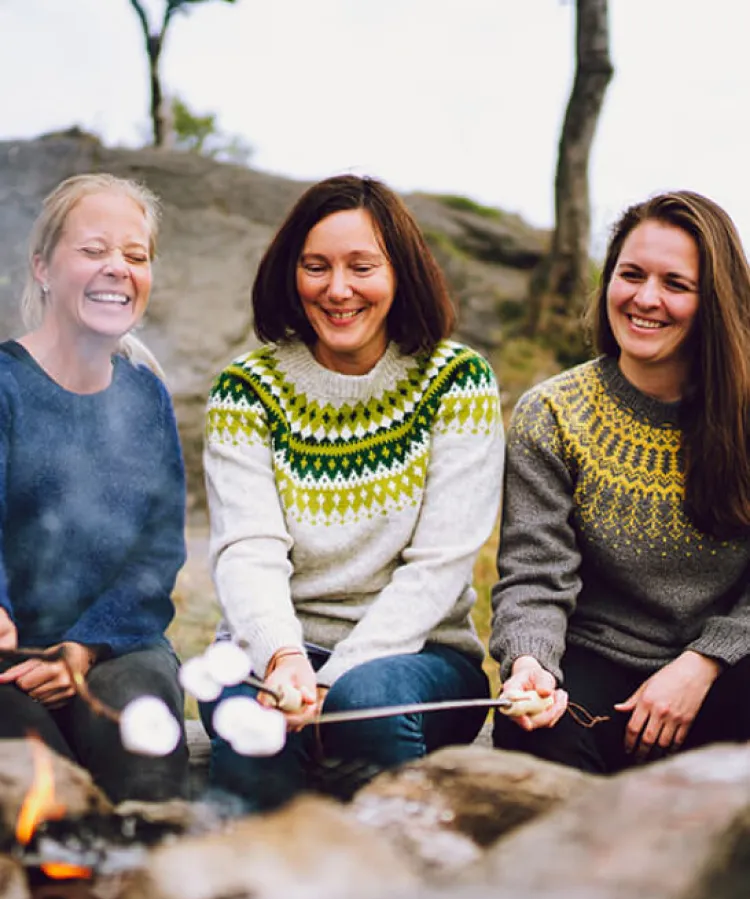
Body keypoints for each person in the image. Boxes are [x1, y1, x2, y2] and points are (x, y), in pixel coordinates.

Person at [202, 174, 503, 810]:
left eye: (361, 266)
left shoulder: (456, 382)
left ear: (400, 274)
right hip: (270, 653)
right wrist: (283, 659)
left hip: (420, 659)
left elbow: (440, 566)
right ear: (293, 274)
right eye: (316, 266)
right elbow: (247, 548)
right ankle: (257, 893)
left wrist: (329, 684)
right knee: (252, 737)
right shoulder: (247, 390)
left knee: (364, 705)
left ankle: (392, 890)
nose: (337, 289)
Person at [491, 190, 750, 774]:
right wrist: (531, 664)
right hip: (597, 672)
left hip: (728, 672)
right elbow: (535, 575)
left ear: (716, 301)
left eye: (675, 284)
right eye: (630, 275)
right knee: (526, 733)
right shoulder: (553, 414)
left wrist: (702, 662)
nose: (645, 299)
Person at [0, 173, 189, 802]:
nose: (117, 268)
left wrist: (83, 645)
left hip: (115, 644)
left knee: (145, 756)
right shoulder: (5, 386)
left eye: (135, 256)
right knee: (43, 794)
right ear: (43, 268)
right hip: (6, 655)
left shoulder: (144, 394)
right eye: (92, 250)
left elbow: (159, 550)